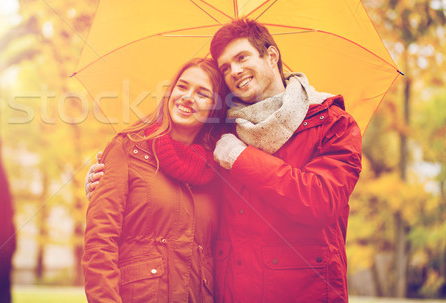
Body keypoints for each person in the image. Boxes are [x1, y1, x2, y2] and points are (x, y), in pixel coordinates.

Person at [86, 17, 362, 303]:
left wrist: (241, 157)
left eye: (242, 57)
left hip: (305, 292)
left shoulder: (332, 124)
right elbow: (172, 168)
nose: (235, 71)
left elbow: (321, 201)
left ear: (271, 56)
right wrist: (108, 180)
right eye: (226, 67)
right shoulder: (223, 134)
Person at [82, 58, 227, 303]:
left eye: (202, 93)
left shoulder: (218, 170)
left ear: (216, 109)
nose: (188, 96)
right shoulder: (127, 149)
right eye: (182, 87)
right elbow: (100, 241)